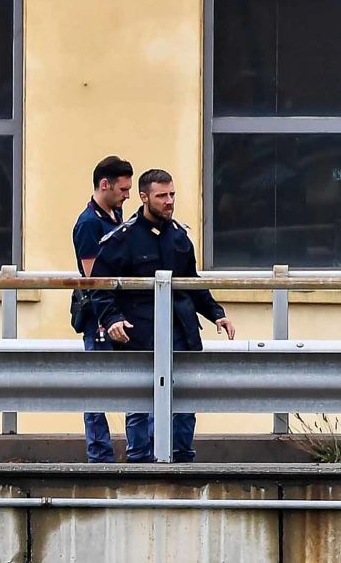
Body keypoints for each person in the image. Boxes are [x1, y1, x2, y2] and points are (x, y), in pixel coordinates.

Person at [90, 168, 235, 463]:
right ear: (144, 198)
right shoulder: (123, 240)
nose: (169, 202)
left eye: (172, 195)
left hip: (180, 332)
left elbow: (192, 284)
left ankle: (182, 461)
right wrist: (112, 319)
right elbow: (101, 288)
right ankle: (140, 462)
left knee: (183, 401)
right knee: (140, 403)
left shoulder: (179, 237)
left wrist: (216, 314)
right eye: (162, 196)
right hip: (141, 334)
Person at [71, 155, 133, 463]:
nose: (127, 195)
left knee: (130, 382)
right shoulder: (89, 223)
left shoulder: (115, 214)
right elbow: (95, 276)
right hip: (98, 313)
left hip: (119, 310)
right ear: (104, 185)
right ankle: (99, 455)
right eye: (122, 189)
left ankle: (135, 450)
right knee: (97, 386)